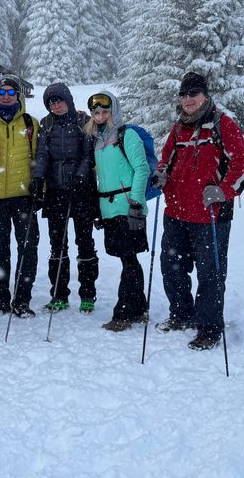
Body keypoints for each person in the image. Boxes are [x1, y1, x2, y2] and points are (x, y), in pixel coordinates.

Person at [151, 71, 244, 351]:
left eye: (193, 93)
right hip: (176, 212)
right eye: (183, 94)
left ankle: (209, 328)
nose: (187, 99)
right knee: (172, 268)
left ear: (205, 96)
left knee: (211, 274)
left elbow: (241, 167)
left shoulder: (223, 125)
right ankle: (182, 315)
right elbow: (165, 162)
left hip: (210, 216)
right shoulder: (178, 129)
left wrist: (224, 190)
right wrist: (161, 176)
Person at [84, 90, 150, 332]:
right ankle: (139, 308)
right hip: (109, 208)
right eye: (96, 112)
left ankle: (123, 313)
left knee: (128, 259)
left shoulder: (126, 135)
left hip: (128, 207)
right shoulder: (97, 139)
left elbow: (142, 169)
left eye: (105, 111)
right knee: (127, 259)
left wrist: (135, 202)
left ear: (114, 111)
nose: (100, 116)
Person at [29, 82, 98, 313]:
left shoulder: (83, 121)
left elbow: (89, 155)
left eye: (59, 101)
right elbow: (42, 155)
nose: (56, 106)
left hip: (81, 191)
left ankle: (88, 294)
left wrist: (80, 177)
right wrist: (38, 179)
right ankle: (59, 294)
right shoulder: (46, 124)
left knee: (85, 242)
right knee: (57, 245)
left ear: (68, 99)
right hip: (56, 191)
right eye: (51, 103)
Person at [0, 75, 40, 318]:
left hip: (23, 195)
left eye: (11, 92)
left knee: (28, 248)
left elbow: (38, 158)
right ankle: (0, 300)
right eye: (2, 92)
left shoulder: (30, 123)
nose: (6, 96)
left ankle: (22, 300)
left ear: (18, 96)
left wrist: (40, 188)